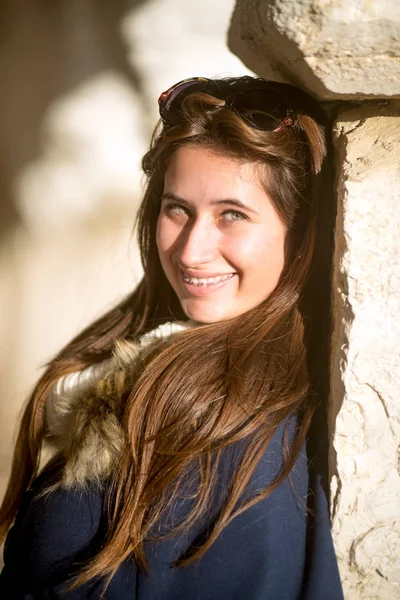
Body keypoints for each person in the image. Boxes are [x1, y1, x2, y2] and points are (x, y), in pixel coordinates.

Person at [0, 76, 344, 599]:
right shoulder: (164, 374)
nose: (189, 251)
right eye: (177, 208)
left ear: (298, 237)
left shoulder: (237, 432)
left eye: (233, 215)